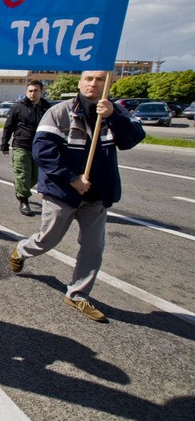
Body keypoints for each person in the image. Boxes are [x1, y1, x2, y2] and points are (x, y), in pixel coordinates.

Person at [9, 71, 145, 322]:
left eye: (100, 79)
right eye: (89, 79)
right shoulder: (60, 112)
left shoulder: (115, 111)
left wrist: (113, 116)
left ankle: (77, 294)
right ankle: (21, 250)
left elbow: (132, 139)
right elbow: (44, 151)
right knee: (47, 239)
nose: (94, 84)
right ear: (80, 83)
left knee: (93, 247)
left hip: (97, 195)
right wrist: (72, 178)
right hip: (62, 192)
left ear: (108, 83)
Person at [0, 80, 52, 216]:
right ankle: (23, 200)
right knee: (23, 174)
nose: (32, 94)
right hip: (21, 145)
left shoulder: (47, 108)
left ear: (41, 92)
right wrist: (4, 144)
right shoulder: (18, 107)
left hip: (40, 147)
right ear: (26, 92)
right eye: (30, 91)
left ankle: (20, 188)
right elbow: (8, 126)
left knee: (35, 177)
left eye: (35, 91)